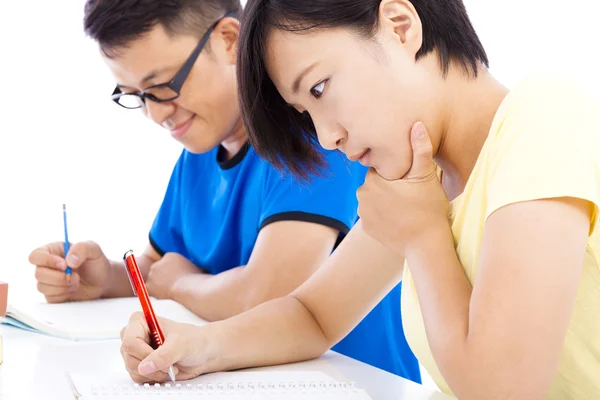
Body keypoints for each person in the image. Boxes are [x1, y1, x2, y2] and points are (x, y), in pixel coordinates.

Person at [119, 0, 600, 398]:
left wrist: (425, 236)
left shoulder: (545, 115)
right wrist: (196, 346)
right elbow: (314, 315)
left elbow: (505, 389)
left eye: (320, 88)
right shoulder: (415, 176)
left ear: (399, 25)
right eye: (305, 112)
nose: (326, 138)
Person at [27, 0, 421, 383]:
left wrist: (182, 286)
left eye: (163, 86)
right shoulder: (197, 155)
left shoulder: (315, 138)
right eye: (138, 96)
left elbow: (268, 294)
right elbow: (158, 267)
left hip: (351, 384)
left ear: (230, 40)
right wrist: (106, 279)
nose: (157, 113)